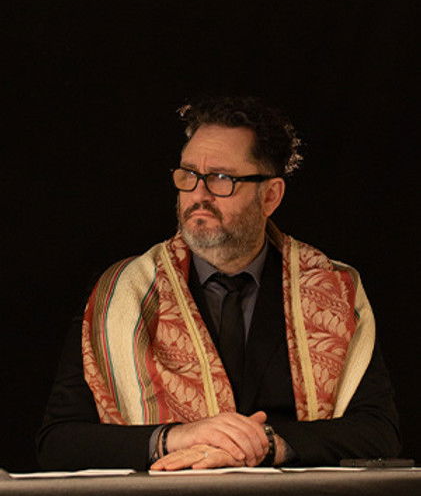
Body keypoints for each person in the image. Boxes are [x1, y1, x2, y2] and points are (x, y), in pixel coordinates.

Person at [37, 96, 401, 472]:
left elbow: (379, 433)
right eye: (189, 175)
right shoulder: (121, 291)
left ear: (270, 196)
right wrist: (174, 438)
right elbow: (58, 442)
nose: (198, 195)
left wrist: (267, 445)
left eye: (222, 179)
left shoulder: (335, 289)